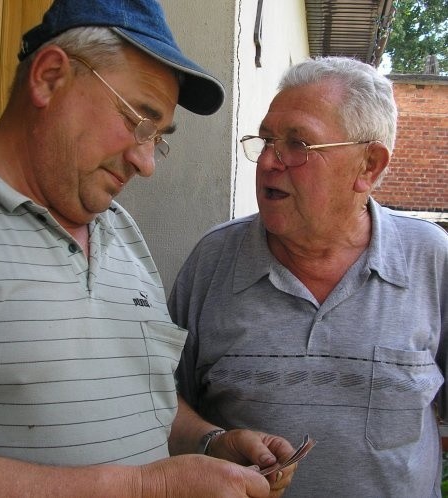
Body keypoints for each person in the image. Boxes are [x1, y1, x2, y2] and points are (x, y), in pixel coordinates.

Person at [0, 0, 298, 496]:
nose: (146, 162)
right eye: (139, 120)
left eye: (158, 138)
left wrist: (209, 442)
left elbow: (141, 391)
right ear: (49, 77)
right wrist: (141, 489)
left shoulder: (119, 228)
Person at [169, 56, 448, 498]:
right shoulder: (214, 260)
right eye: (266, 141)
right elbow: (159, 401)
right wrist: (212, 441)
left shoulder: (431, 259)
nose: (267, 162)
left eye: (297, 145)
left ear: (369, 166)